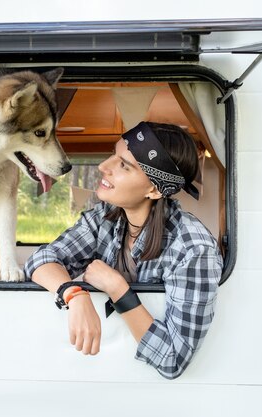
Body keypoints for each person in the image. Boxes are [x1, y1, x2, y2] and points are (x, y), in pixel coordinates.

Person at [24, 121, 223, 380]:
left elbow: (173, 358)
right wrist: (74, 295)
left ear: (153, 189)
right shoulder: (104, 217)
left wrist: (117, 288)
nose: (103, 167)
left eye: (123, 165)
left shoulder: (194, 249)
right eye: (112, 155)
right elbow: (40, 261)